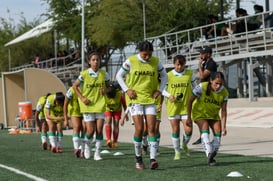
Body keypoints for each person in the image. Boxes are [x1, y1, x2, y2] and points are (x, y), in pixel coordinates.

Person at [116, 40, 168, 170]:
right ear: (140, 51)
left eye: (150, 54)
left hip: (150, 100)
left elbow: (165, 77)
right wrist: (127, 90)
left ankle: (152, 159)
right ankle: (138, 159)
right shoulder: (131, 61)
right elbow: (119, 76)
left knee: (152, 129)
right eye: (145, 54)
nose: (148, 57)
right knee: (139, 129)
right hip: (135, 100)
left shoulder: (155, 62)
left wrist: (160, 90)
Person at [73, 52, 110, 161]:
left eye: (97, 60)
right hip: (88, 105)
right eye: (93, 60)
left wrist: (105, 90)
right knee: (90, 130)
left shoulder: (104, 74)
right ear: (89, 62)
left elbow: (109, 87)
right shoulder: (84, 74)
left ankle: (97, 153)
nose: (96, 62)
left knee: (99, 130)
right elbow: (75, 86)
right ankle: (87, 146)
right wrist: (82, 97)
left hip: (100, 104)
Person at [186, 72, 229, 166]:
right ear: (211, 81)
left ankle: (212, 155)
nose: (218, 86)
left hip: (213, 115)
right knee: (205, 131)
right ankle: (209, 154)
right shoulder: (201, 87)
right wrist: (188, 117)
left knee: (218, 136)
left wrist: (224, 127)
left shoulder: (224, 92)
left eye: (220, 84)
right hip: (200, 113)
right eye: (216, 83)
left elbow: (224, 111)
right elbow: (190, 101)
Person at [162, 55, 197, 160]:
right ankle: (177, 152)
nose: (179, 67)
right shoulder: (168, 75)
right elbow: (162, 90)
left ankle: (184, 144)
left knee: (189, 130)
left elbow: (196, 87)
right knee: (175, 129)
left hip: (186, 106)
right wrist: (169, 96)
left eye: (181, 64)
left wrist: (197, 96)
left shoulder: (190, 74)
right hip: (173, 107)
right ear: (174, 64)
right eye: (177, 64)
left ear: (185, 64)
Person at [193, 46, 217, 145]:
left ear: (208, 54)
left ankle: (214, 137)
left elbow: (202, 76)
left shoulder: (211, 64)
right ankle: (203, 135)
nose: (201, 55)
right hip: (203, 90)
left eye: (203, 53)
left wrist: (199, 65)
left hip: (209, 92)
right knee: (200, 114)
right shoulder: (205, 63)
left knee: (209, 116)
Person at [63, 86, 85, 158]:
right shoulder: (71, 90)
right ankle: (76, 148)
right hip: (74, 112)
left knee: (85, 129)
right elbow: (65, 104)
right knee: (77, 127)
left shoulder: (87, 88)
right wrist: (66, 119)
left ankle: (83, 150)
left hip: (85, 111)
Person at [104, 83, 126, 148]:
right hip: (108, 110)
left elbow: (125, 105)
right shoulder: (105, 94)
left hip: (117, 110)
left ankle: (115, 142)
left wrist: (125, 115)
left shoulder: (119, 95)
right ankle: (108, 140)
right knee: (108, 121)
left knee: (116, 124)